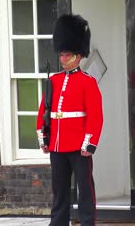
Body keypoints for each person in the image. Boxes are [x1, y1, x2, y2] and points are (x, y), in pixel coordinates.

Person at [36, 14, 103, 226]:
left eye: (66, 55)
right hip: (57, 144)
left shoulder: (87, 82)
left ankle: (87, 223)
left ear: (77, 55)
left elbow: (95, 116)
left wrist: (89, 144)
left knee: (85, 190)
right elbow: (43, 112)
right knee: (59, 191)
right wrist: (44, 139)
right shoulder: (53, 80)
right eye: (62, 54)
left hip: (78, 145)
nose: (62, 58)